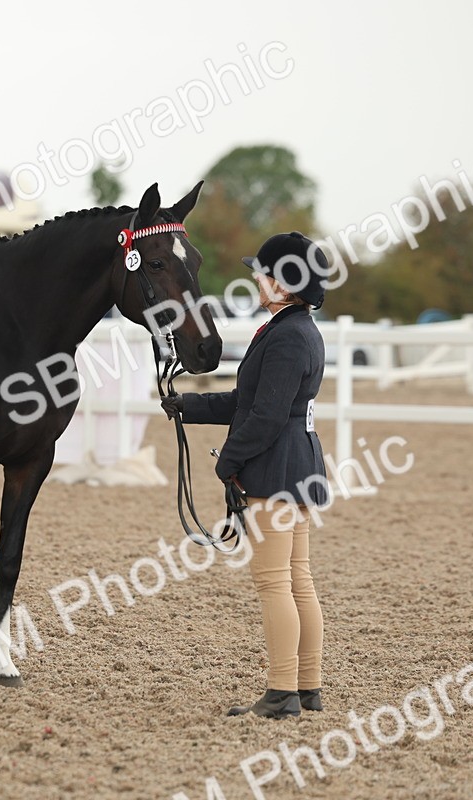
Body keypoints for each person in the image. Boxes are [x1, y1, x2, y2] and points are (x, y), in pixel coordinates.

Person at [161, 231, 330, 720]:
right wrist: (187, 406)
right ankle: (306, 685)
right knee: (297, 577)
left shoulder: (287, 336)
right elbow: (246, 403)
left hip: (277, 469)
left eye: (264, 272)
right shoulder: (293, 329)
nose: (256, 278)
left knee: (275, 580)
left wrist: (227, 462)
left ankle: (282, 692)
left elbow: (267, 416)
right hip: (297, 463)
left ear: (286, 282)